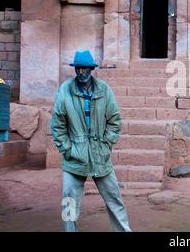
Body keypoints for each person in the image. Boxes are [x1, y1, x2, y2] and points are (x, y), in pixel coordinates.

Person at [51, 49, 131, 232]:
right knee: (69, 202)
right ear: (75, 69)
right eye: (78, 69)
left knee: (114, 198)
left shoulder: (104, 90)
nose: (81, 73)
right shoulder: (65, 90)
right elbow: (58, 125)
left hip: (99, 155)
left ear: (92, 69)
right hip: (74, 158)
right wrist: (68, 150)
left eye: (85, 69)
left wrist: (106, 144)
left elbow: (115, 121)